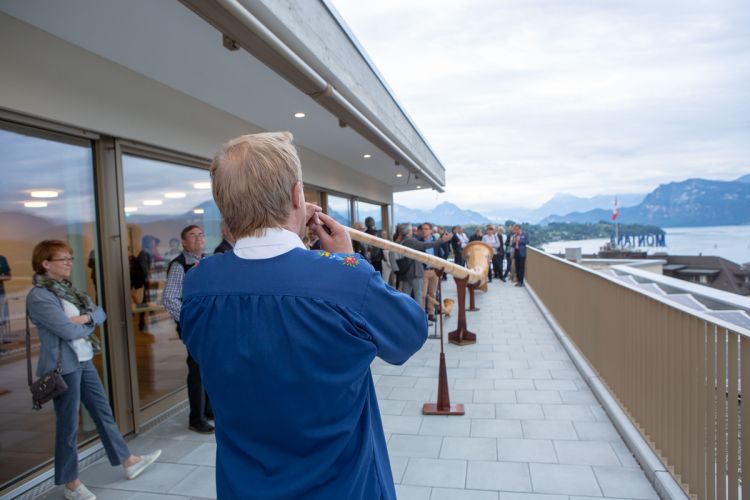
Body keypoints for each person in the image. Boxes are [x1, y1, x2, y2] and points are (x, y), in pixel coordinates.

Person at [180, 132, 427, 499]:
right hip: (343, 487)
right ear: (298, 195)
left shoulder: (200, 285)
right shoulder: (343, 279)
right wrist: (348, 260)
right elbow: (409, 335)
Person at [26, 240, 160, 500]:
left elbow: (99, 313)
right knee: (68, 426)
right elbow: (66, 330)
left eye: (70, 258)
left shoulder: (68, 290)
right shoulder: (39, 296)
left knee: (103, 413)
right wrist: (86, 321)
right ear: (45, 263)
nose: (69, 263)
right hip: (63, 367)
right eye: (62, 259)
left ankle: (128, 460)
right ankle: (71, 484)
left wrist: (84, 319)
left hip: (83, 359)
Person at [163, 225, 214, 434]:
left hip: (210, 324)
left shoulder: (208, 261)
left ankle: (209, 410)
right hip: (195, 327)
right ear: (183, 242)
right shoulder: (180, 265)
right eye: (193, 236)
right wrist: (189, 319)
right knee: (197, 371)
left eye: (201, 234)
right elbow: (169, 298)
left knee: (209, 368)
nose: (198, 238)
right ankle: (196, 418)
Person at [416, 223, 442, 320]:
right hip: (423, 271)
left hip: (434, 271)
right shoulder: (418, 242)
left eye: (426, 229)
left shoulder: (436, 243)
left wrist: (440, 270)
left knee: (432, 293)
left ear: (431, 231)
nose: (424, 231)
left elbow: (440, 256)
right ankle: (422, 314)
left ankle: (431, 313)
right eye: (422, 229)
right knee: (422, 294)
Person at [0, 254, 11, 345]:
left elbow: (9, 276)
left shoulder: (2, 259)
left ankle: (2, 339)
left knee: (2, 318)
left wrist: (2, 277)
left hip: (1, 294)